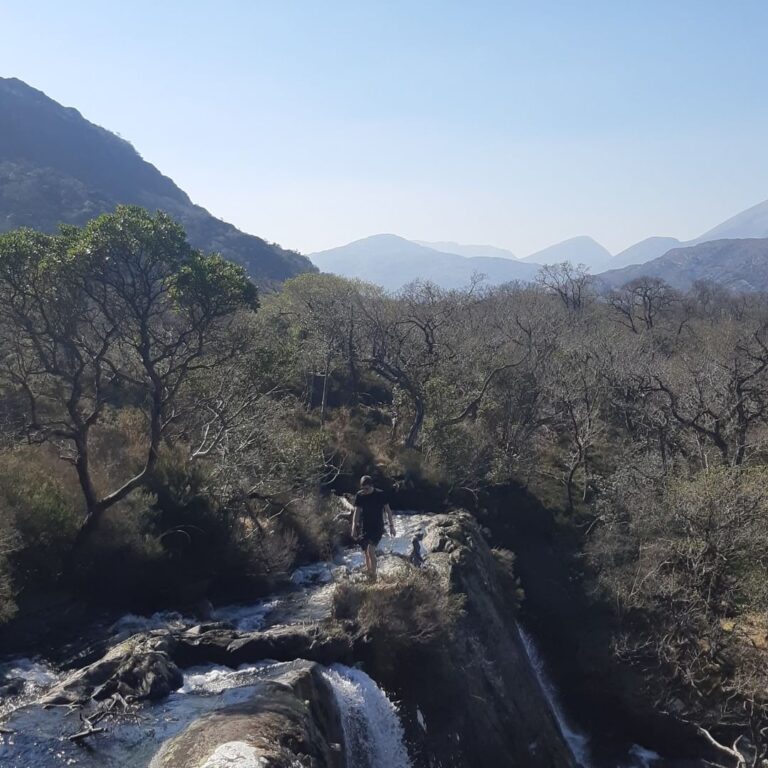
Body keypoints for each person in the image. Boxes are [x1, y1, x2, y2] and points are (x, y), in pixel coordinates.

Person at [351, 475, 395, 580]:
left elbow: (388, 511)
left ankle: (374, 576)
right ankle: (369, 571)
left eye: (366, 489)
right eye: (362, 488)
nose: (364, 491)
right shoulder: (360, 495)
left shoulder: (380, 494)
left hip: (377, 527)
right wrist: (353, 527)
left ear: (371, 486)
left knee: (371, 550)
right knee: (365, 551)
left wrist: (391, 526)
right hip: (365, 526)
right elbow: (356, 512)